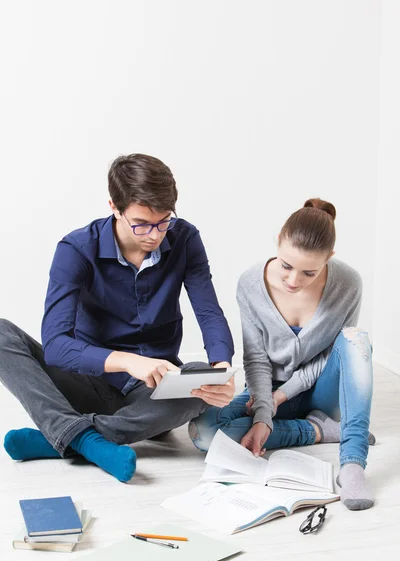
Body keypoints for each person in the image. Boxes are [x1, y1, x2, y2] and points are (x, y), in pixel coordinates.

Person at [0, 153, 235, 482]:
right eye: (141, 223)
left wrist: (222, 370)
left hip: (152, 390)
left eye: (164, 221)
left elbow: (208, 312)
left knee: (200, 376)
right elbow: (55, 346)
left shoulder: (185, 238)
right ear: (114, 207)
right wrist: (126, 361)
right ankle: (86, 439)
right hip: (84, 381)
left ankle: (65, 436)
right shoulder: (76, 249)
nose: (154, 235)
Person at [189, 199, 375, 511]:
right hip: (267, 389)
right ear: (278, 241)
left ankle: (353, 461)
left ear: (329, 259)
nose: (293, 281)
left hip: (321, 391)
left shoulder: (348, 283)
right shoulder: (251, 283)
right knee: (204, 433)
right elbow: (256, 358)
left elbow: (333, 353)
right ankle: (319, 430)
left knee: (357, 340)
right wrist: (264, 411)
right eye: (287, 266)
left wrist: (282, 397)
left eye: (309, 273)